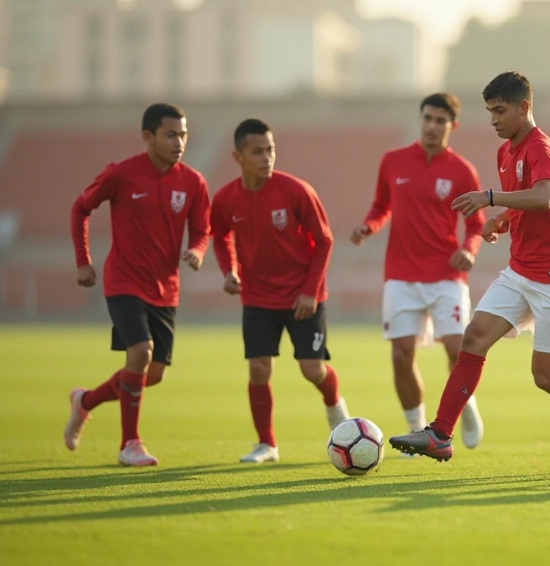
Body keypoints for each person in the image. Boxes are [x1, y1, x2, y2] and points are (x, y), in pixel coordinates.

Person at [389, 71, 550, 462]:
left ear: (524, 107)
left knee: (548, 377)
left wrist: (490, 198)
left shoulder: (540, 148)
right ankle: (440, 434)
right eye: (489, 112)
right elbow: (527, 205)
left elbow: (543, 197)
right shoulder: (505, 151)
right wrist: (504, 219)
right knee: (474, 337)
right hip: (520, 271)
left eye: (500, 111)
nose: (493, 120)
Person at [64, 103, 210, 466]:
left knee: (152, 374)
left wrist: (196, 250)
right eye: (171, 134)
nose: (180, 142)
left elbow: (202, 229)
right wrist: (83, 262)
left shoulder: (193, 181)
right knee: (140, 353)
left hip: (166, 288)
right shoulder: (121, 174)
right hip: (124, 281)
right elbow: (80, 208)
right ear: (148, 137)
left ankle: (85, 402)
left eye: (184, 134)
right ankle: (130, 444)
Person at [351, 93, 485, 449]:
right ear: (420, 119)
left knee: (458, 352)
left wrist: (469, 252)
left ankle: (465, 404)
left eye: (440, 121)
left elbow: (475, 224)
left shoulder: (461, 170)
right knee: (400, 356)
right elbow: (381, 206)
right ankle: (415, 428)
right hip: (401, 274)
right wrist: (369, 226)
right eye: (427, 118)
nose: (431, 126)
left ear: (452, 126)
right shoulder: (393, 161)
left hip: (446, 275)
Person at [211, 118, 347, 464]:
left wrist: (310, 292)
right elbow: (220, 235)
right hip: (257, 298)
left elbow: (325, 240)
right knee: (258, 368)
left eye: (270, 149)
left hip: (303, 295)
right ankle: (266, 444)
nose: (266, 157)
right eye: (257, 151)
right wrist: (229, 271)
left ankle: (336, 409)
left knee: (311, 370)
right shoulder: (226, 198)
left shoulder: (296, 190)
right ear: (238, 156)